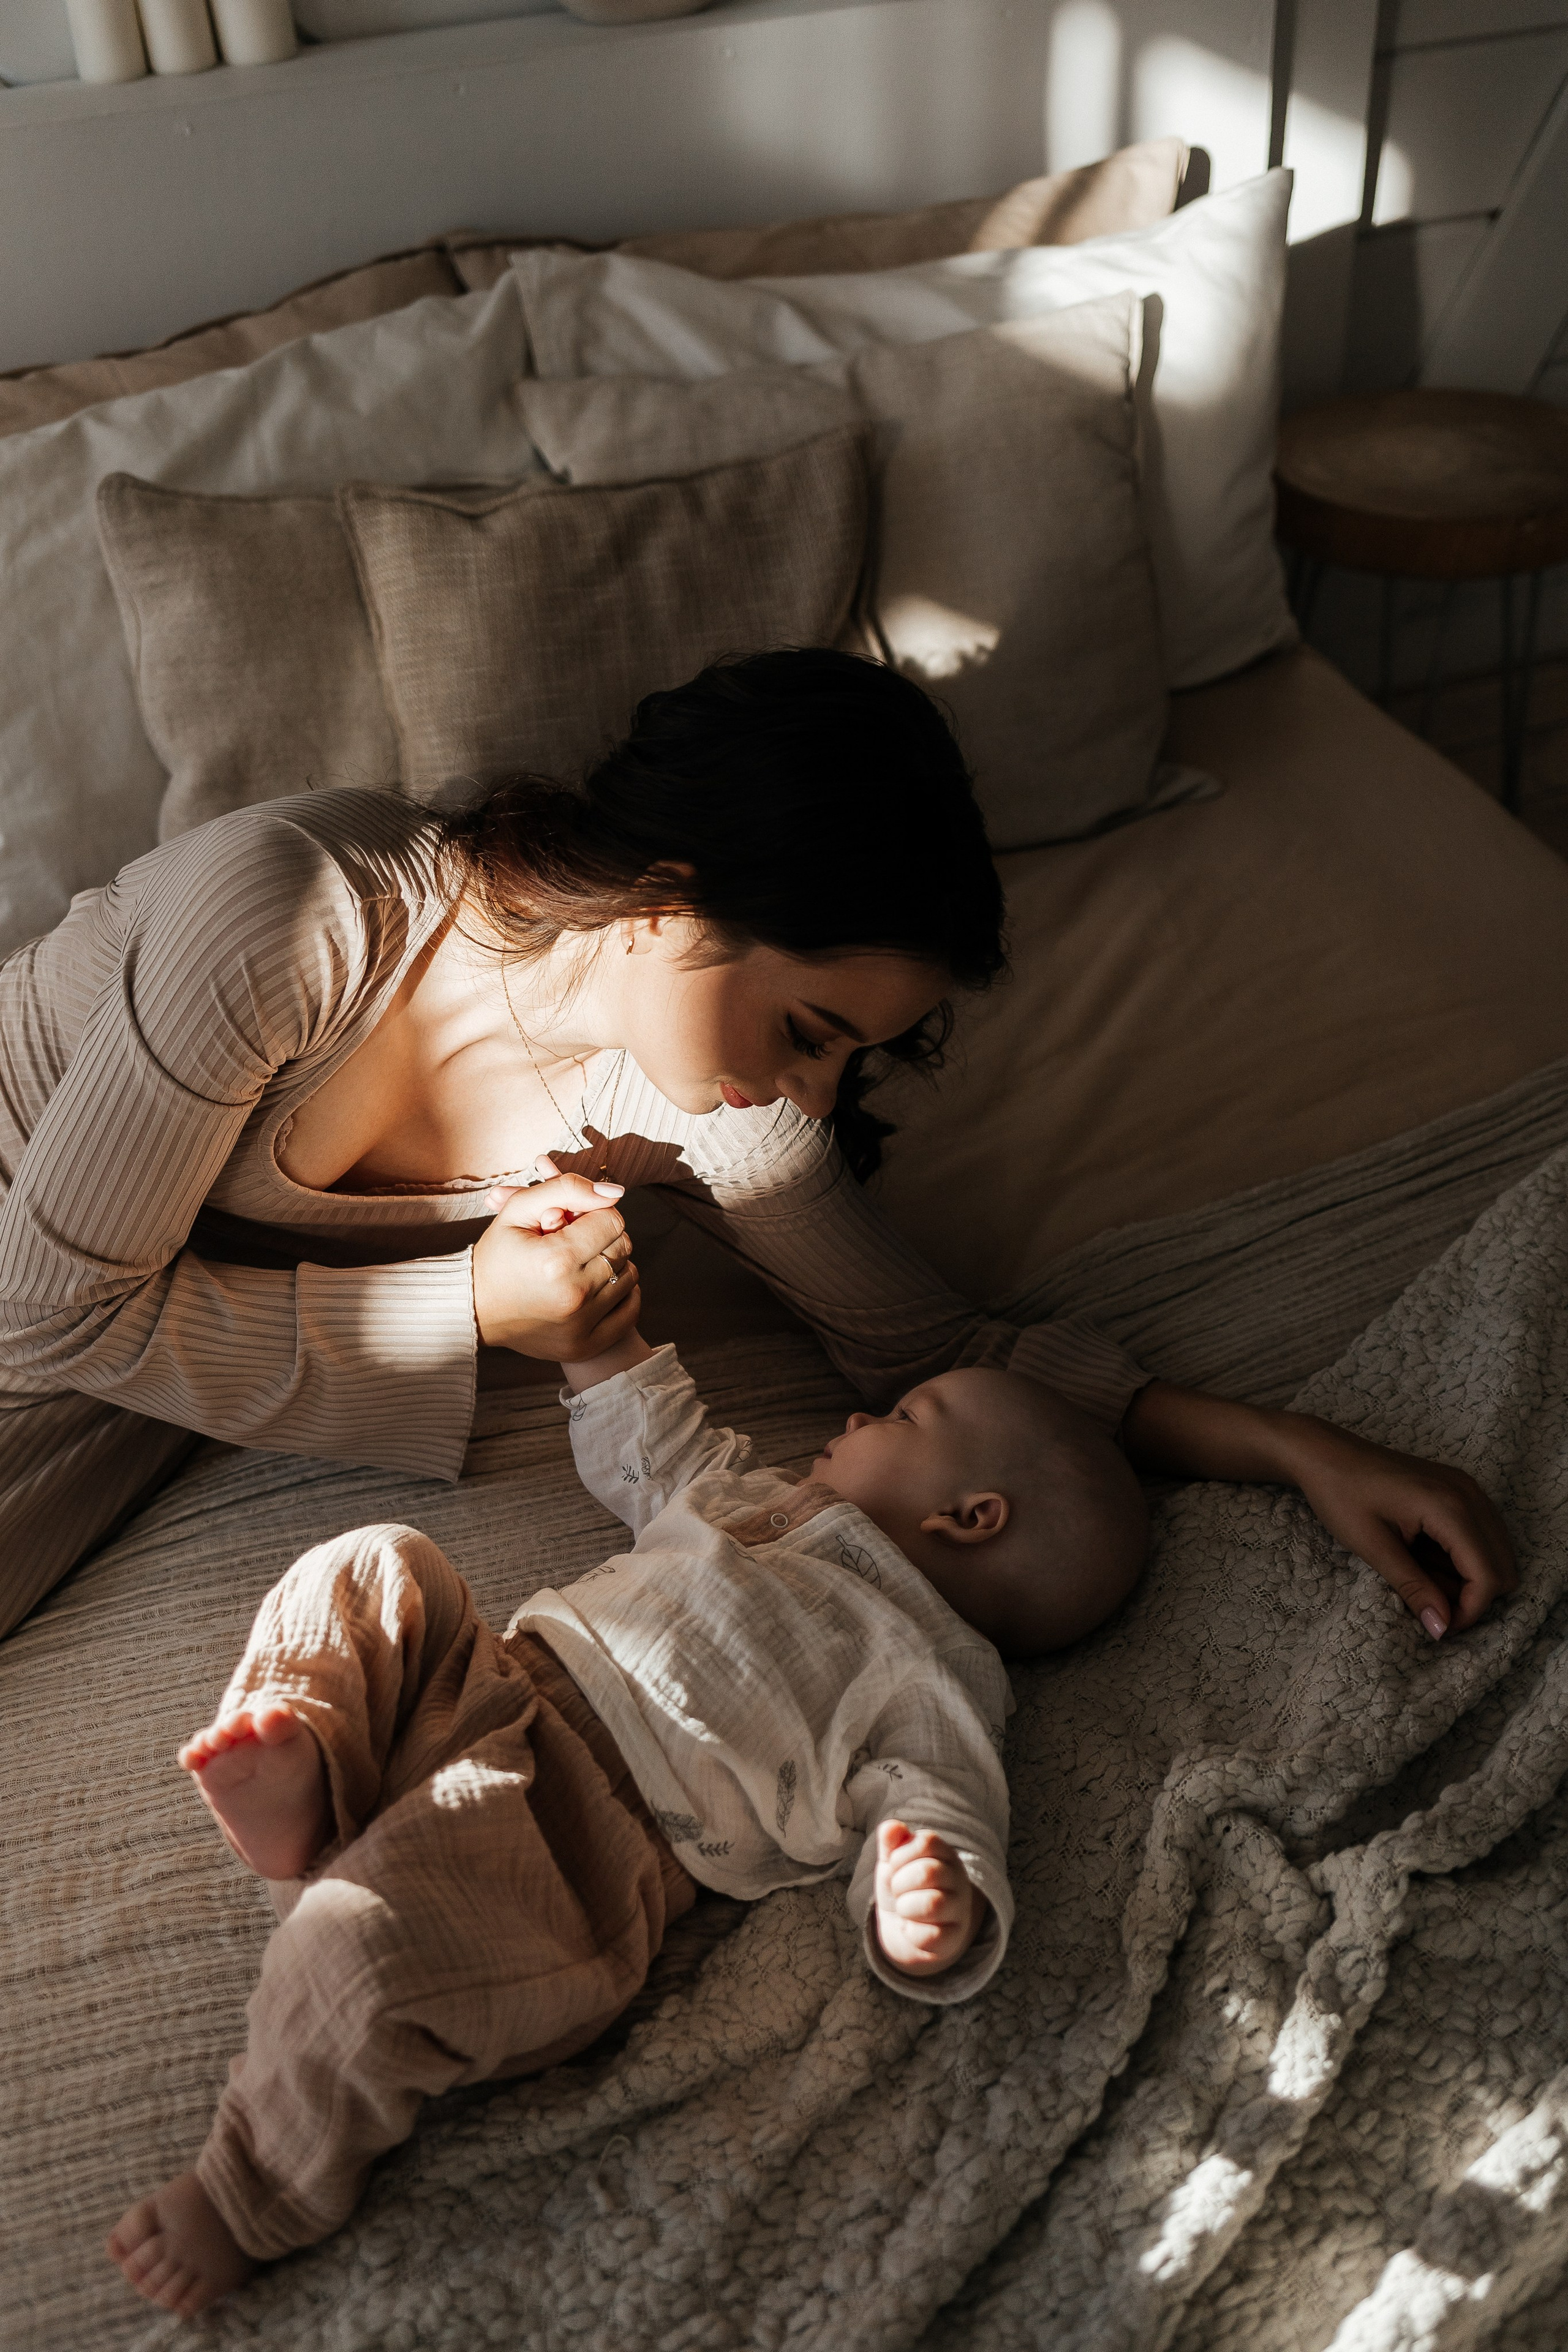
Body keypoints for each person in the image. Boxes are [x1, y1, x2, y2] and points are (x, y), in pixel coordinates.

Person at [0, 648, 1516, 1643]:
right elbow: (44, 1307)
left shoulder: (694, 1102)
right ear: (671, 896)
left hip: (119, 1370)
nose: (808, 1093)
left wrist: (1296, 1449)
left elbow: (933, 1354)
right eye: (809, 1028)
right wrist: (468, 1306)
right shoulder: (291, 915)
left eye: (848, 1056)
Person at [107, 1297, 1152, 2319]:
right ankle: (314, 1757)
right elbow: (654, 1440)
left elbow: (940, 1800)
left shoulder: (932, 1674)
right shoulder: (750, 1498)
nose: (855, 1416)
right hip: (492, 1683)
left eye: (903, 1417)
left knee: (364, 1961)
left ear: (969, 1517)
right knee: (379, 1561)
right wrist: (604, 1342)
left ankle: (251, 2190)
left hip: (584, 1844)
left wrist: (930, 1892)